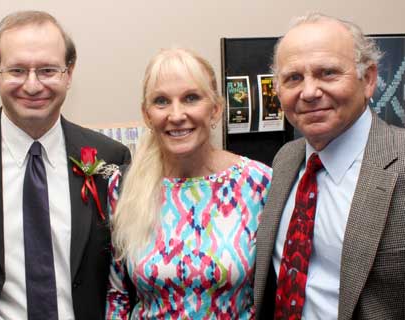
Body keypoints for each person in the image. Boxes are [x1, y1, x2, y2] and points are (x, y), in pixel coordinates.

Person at [0, 10, 131, 320]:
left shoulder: (109, 159)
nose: (32, 86)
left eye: (47, 70)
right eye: (17, 70)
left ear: (69, 73)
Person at [254, 13, 405, 320]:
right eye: (294, 78)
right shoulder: (286, 160)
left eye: (328, 73)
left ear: (369, 79)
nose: (309, 92)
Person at [106, 48, 272, 319]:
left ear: (216, 108)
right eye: (161, 101)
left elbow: (272, 293)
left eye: (191, 98)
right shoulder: (123, 187)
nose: (176, 114)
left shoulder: (258, 183)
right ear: (147, 115)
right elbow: (117, 295)